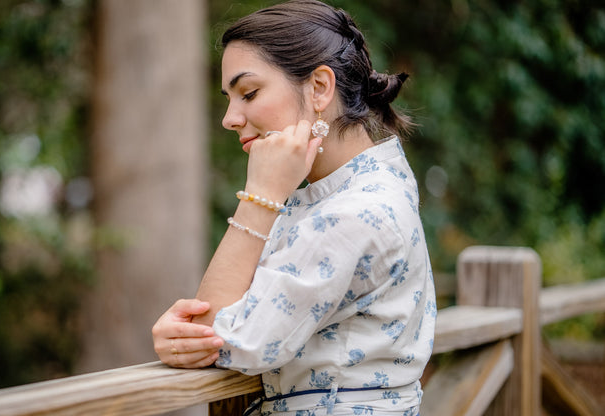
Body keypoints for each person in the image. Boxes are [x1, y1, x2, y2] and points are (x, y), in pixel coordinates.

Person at [151, 1, 436, 414]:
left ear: (320, 87)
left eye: (248, 92)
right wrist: (183, 335)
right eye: (229, 98)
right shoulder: (348, 195)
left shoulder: (352, 214)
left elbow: (215, 339)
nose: (230, 118)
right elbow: (216, 321)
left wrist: (260, 196)